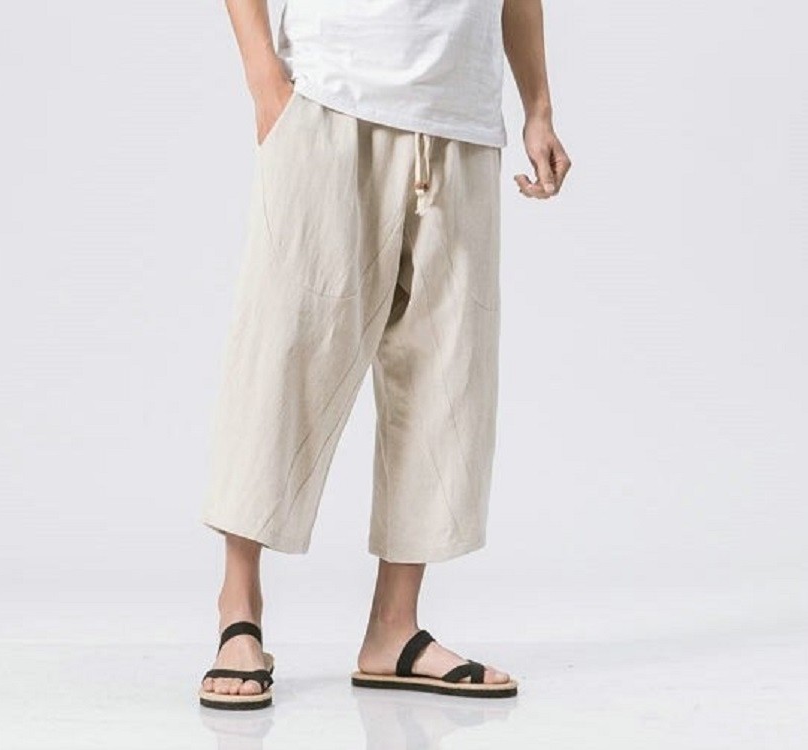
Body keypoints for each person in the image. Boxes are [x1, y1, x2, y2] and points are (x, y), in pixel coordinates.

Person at [197, 0, 571, 710]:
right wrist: (263, 80)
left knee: (444, 377)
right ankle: (238, 611)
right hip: (332, 96)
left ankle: (394, 629)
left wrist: (538, 109)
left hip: (460, 118)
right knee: (281, 358)